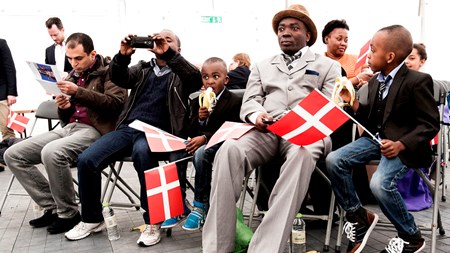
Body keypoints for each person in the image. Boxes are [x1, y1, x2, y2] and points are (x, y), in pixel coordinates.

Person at [202, 4, 341, 253]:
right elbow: (251, 101)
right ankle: (217, 247)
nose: (285, 32)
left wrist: (298, 119)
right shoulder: (262, 66)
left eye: (293, 28)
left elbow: (331, 105)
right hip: (266, 130)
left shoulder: (328, 66)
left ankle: (264, 248)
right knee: (229, 150)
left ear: (308, 35)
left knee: (302, 153)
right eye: (281, 28)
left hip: (307, 133)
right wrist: (257, 115)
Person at [64, 30, 202, 246]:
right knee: (87, 159)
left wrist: (170, 56)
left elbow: (194, 80)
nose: (162, 44)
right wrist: (123, 55)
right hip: (130, 128)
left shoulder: (182, 73)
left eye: (168, 41)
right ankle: (92, 219)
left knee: (142, 152)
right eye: (159, 40)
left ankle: (153, 222)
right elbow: (120, 77)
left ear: (179, 50)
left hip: (159, 133)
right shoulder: (144, 68)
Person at [326, 25, 439, 253]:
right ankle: (358, 216)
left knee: (379, 184)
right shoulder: (376, 81)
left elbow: (429, 124)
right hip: (377, 141)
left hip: (404, 146)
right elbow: (371, 120)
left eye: (372, 50)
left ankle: (411, 237)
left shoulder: (418, 80)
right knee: (334, 159)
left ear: (389, 57)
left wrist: (401, 144)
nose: (367, 55)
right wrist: (354, 103)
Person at [3, 32, 127, 234]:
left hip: (97, 131)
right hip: (70, 128)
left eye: (78, 58)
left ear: (92, 54)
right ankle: (51, 206)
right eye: (70, 59)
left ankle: (69, 213)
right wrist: (64, 105)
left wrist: (77, 93)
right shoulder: (72, 76)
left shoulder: (111, 72)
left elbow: (115, 104)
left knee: (52, 152)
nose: (74, 63)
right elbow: (66, 116)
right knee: (13, 154)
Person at [179, 57, 242, 231]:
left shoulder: (234, 101)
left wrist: (205, 138)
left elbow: (231, 128)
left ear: (226, 79)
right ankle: (178, 205)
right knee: (176, 153)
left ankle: (200, 204)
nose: (210, 81)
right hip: (200, 142)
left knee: (201, 153)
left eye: (215, 76)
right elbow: (187, 129)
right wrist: (200, 120)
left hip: (223, 143)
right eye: (205, 77)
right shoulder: (197, 101)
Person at [322, 19, 373, 88]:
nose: (343, 43)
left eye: (346, 40)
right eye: (339, 39)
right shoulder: (319, 64)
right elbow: (330, 89)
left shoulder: (357, 59)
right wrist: (356, 79)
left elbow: (367, 74)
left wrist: (365, 80)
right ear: (326, 39)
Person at [0, 39, 18, 172]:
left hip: (1, 94)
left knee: (6, 129)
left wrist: (11, 92)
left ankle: (14, 159)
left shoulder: (1, 43)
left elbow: (10, 68)